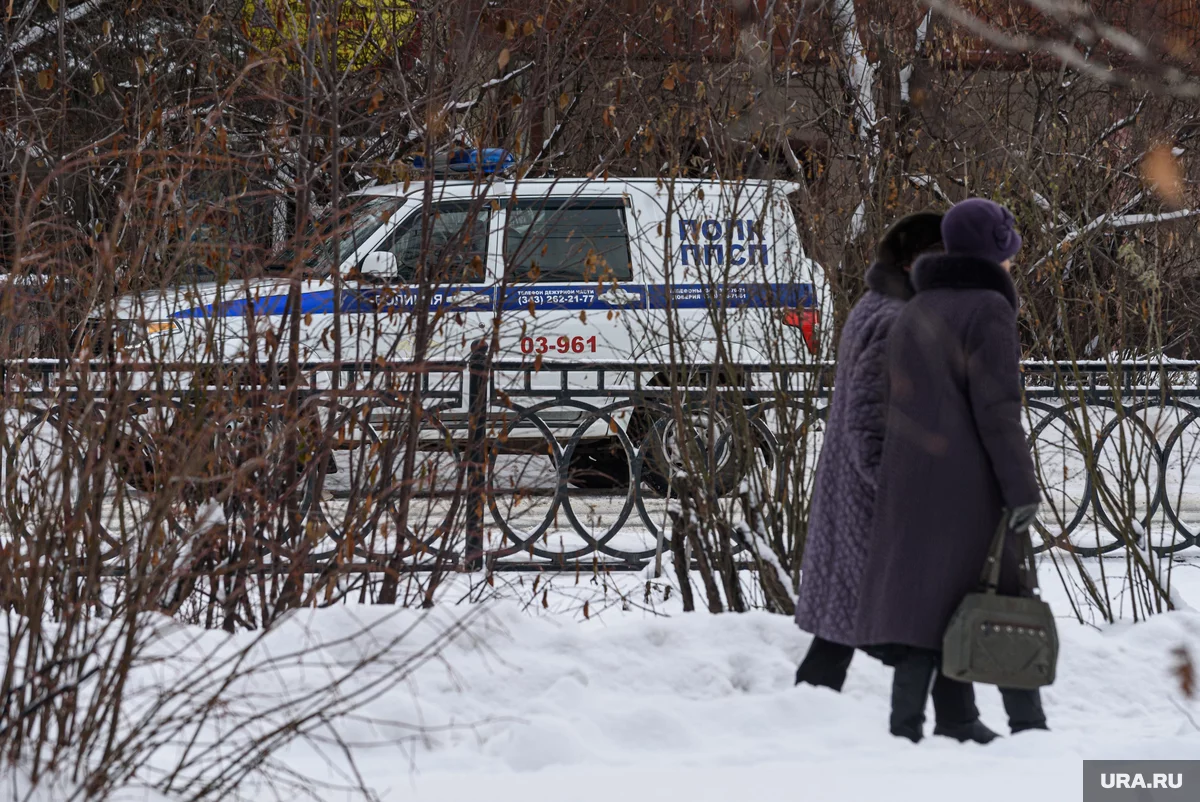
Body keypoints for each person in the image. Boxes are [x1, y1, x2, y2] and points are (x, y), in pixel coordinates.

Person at [793, 211, 999, 744]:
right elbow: (868, 420)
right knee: (929, 609)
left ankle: (949, 716)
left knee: (855, 623)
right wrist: (901, 487)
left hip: (858, 497)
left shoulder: (883, 305)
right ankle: (945, 720)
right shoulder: (896, 319)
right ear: (916, 263)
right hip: (877, 504)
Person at [854, 197, 1049, 743]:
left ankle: (921, 726)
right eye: (1008, 251)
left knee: (926, 605)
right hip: (969, 488)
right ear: (992, 252)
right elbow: (997, 409)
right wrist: (1020, 488)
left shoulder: (918, 306)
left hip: (912, 479)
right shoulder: (988, 309)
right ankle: (1030, 728)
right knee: (1003, 598)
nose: (1012, 262)